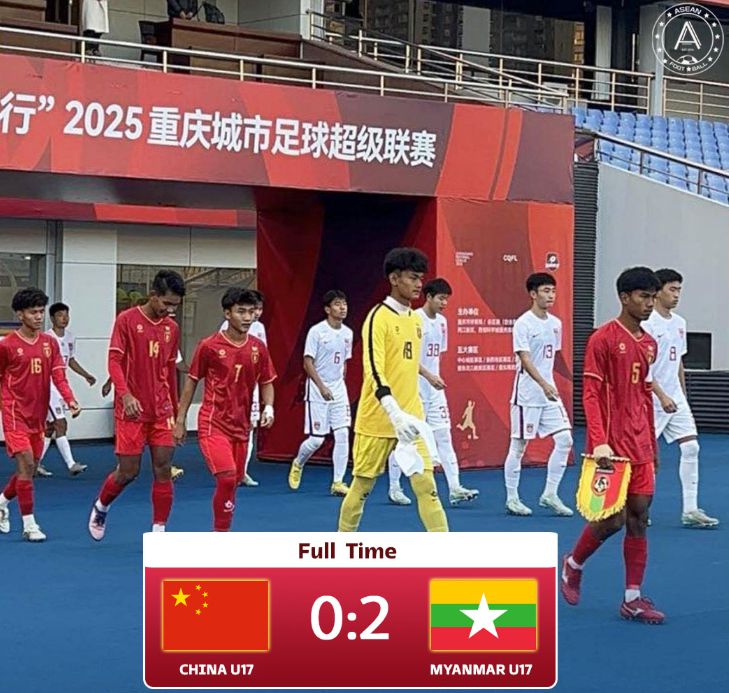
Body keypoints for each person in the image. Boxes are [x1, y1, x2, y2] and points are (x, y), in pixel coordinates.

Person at [561, 266, 665, 624]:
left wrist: (653, 445)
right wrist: (600, 441)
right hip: (610, 447)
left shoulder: (650, 344)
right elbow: (590, 393)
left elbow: (645, 396)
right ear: (624, 297)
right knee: (612, 519)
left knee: (639, 517)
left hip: (641, 444)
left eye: (652, 297)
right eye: (643, 297)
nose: (649, 304)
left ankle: (632, 598)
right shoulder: (602, 339)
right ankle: (573, 564)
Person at [338, 248, 448, 533]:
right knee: (362, 487)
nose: (419, 284)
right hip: (378, 419)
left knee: (427, 488)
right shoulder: (378, 317)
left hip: (411, 418)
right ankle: (341, 544)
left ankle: (447, 552)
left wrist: (410, 408)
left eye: (420, 278)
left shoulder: (415, 320)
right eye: (412, 278)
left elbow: (408, 364)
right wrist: (393, 412)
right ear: (394, 278)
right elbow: (374, 370)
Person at [88, 270, 185, 541]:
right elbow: (114, 361)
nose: (170, 310)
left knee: (163, 468)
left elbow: (170, 371)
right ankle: (102, 506)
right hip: (132, 411)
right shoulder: (127, 320)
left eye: (175, 305)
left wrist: (177, 414)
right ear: (153, 295)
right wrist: (125, 394)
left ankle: (159, 531)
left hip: (162, 410)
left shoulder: (172, 328)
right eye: (166, 303)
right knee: (128, 472)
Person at [174, 288, 275, 531]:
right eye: (241, 312)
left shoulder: (258, 347)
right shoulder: (209, 346)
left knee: (234, 481)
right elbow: (192, 381)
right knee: (227, 476)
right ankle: (220, 534)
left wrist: (269, 407)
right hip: (213, 423)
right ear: (227, 314)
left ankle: (223, 529)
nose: (247, 317)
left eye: (251, 312)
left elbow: (267, 381)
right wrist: (180, 420)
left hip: (241, 425)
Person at [387, 278, 479, 506]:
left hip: (435, 392)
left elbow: (436, 355)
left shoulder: (442, 322)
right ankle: (394, 487)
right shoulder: (413, 319)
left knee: (444, 437)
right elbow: (407, 359)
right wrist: (428, 376)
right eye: (441, 299)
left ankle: (455, 488)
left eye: (447, 299)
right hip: (413, 390)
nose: (444, 303)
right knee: (405, 439)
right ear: (428, 297)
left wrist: (433, 379)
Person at [0, 288, 80, 542]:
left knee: (30, 467)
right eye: (32, 312)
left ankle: (1, 502)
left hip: (38, 414)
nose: (38, 317)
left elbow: (59, 375)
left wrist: (70, 399)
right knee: (25, 462)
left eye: (40, 312)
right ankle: (29, 524)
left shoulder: (49, 343)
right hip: (14, 413)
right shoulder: (7, 346)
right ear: (20, 315)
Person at [643, 268, 718, 528]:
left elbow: (678, 363)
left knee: (691, 447)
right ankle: (638, 509)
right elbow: (644, 368)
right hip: (651, 399)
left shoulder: (679, 323)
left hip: (675, 398)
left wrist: (682, 396)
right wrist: (661, 395)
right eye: (672, 289)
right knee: (646, 458)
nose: (676, 295)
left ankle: (690, 510)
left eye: (679, 290)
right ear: (658, 291)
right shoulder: (647, 324)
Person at [502, 273, 573, 517]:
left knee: (565, 439)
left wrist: (550, 384)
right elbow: (525, 358)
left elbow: (551, 358)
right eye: (545, 291)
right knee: (519, 446)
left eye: (553, 291)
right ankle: (512, 498)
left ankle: (550, 494)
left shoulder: (555, 324)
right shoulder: (523, 323)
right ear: (533, 294)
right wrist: (543, 384)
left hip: (549, 395)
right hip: (527, 396)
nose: (550, 295)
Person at [289, 290, 352, 496]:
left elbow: (344, 362)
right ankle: (299, 462)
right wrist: (322, 386)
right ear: (327, 309)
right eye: (337, 304)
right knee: (317, 439)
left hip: (338, 389)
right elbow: (308, 362)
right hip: (317, 389)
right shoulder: (317, 332)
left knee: (342, 433)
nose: (342, 308)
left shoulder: (348, 333)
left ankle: (338, 482)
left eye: (344, 304)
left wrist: (340, 385)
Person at [100, 349, 187, 482]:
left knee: (163, 462)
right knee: (128, 471)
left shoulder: (169, 339)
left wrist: (197, 373)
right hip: (135, 406)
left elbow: (175, 366)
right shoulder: (133, 342)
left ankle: (168, 467)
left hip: (160, 405)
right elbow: (120, 363)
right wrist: (111, 383)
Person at [36, 302, 94, 478]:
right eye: (60, 315)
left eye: (66, 315)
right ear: (52, 318)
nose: (64, 318)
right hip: (48, 386)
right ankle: (71, 464)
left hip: (60, 385)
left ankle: (34, 464)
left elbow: (71, 361)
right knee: (61, 423)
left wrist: (86, 375)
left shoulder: (70, 337)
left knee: (49, 428)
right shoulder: (46, 338)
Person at [220, 289, 266, 487]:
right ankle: (229, 467)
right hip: (231, 387)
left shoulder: (260, 328)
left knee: (250, 426)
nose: (255, 314)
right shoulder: (227, 326)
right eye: (250, 310)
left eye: (257, 309)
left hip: (251, 386)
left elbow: (263, 360)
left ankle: (242, 471)